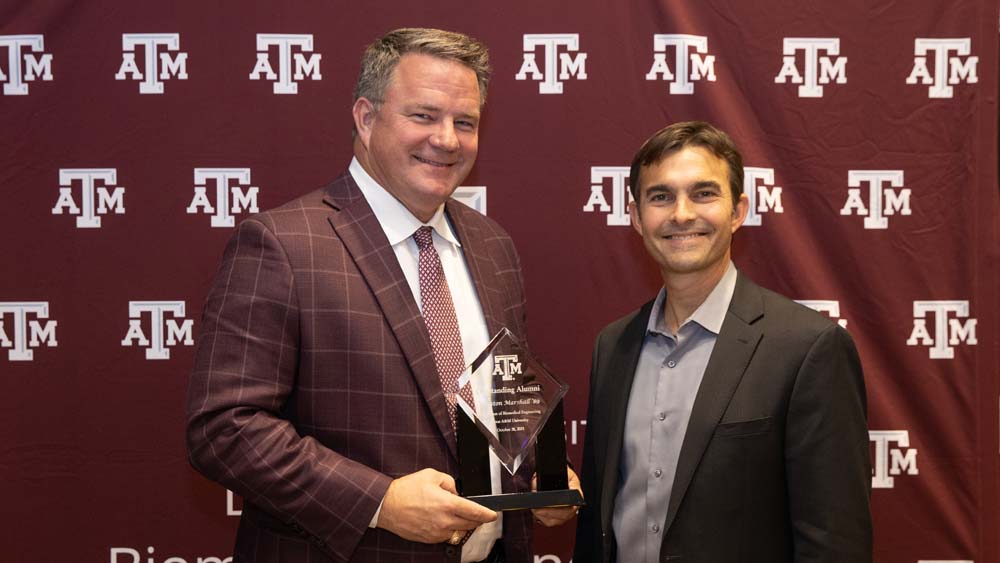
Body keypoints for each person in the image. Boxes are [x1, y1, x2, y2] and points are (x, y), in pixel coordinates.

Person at [186, 28, 578, 563]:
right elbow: (225, 429)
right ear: (366, 118)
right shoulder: (283, 244)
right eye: (423, 115)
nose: (446, 138)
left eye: (465, 122)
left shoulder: (493, 246)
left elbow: (498, 397)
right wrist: (380, 501)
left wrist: (535, 473)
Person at [573, 121, 872, 563]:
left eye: (703, 193)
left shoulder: (810, 348)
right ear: (636, 217)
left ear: (738, 210)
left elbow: (835, 543)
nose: (681, 214)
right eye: (661, 196)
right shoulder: (613, 346)